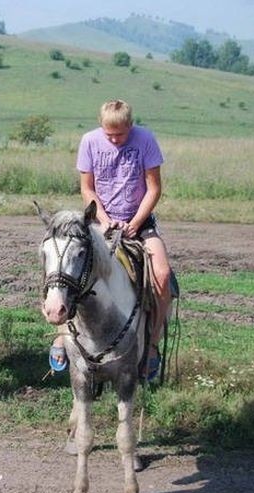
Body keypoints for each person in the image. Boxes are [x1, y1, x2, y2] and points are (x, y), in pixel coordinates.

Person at [50, 99, 171, 380]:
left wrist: (135, 223)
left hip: (139, 222)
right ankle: (60, 335)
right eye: (109, 134)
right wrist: (104, 221)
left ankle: (151, 345)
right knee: (64, 267)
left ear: (131, 125)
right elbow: (87, 187)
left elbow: (154, 188)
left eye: (120, 134)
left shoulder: (146, 139)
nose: (115, 140)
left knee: (163, 276)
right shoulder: (89, 141)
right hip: (97, 221)